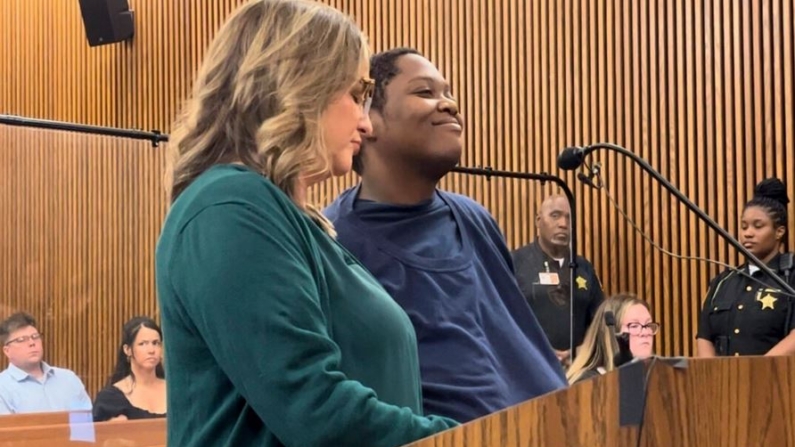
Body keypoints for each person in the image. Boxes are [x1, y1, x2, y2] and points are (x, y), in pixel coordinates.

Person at [155, 2, 458, 446]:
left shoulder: (293, 220)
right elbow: (314, 408)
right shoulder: (228, 206)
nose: (365, 123)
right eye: (355, 94)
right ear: (296, 84)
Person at [324, 47, 567, 423]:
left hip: (556, 426)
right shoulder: (334, 242)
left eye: (448, 92)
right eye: (425, 92)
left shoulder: (476, 218)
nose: (450, 105)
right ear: (368, 120)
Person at [697, 178, 795, 357]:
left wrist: (753, 373)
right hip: (723, 381)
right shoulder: (723, 282)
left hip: (778, 381)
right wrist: (711, 378)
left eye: (758, 226)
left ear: (779, 231)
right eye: (744, 226)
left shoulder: (791, 277)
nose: (748, 233)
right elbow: (705, 337)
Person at [511, 194, 605, 363]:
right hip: (529, 367)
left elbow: (601, 324)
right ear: (538, 221)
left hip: (578, 370)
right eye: (555, 216)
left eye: (569, 218)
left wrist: (578, 352)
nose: (563, 224)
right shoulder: (515, 263)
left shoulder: (584, 268)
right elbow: (501, 320)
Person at [0, 312, 91, 414]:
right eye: (22, 340)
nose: (32, 343)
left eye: (35, 337)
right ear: (7, 351)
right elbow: (7, 429)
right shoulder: (2, 387)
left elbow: (85, 424)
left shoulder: (68, 379)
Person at [566, 294, 658, 384]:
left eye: (648, 325)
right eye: (634, 326)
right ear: (612, 334)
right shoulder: (586, 383)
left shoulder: (658, 378)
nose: (646, 333)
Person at [92, 316, 166, 422]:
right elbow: (95, 435)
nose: (151, 350)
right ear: (128, 350)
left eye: (155, 343)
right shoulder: (110, 399)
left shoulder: (175, 391)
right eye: (143, 344)